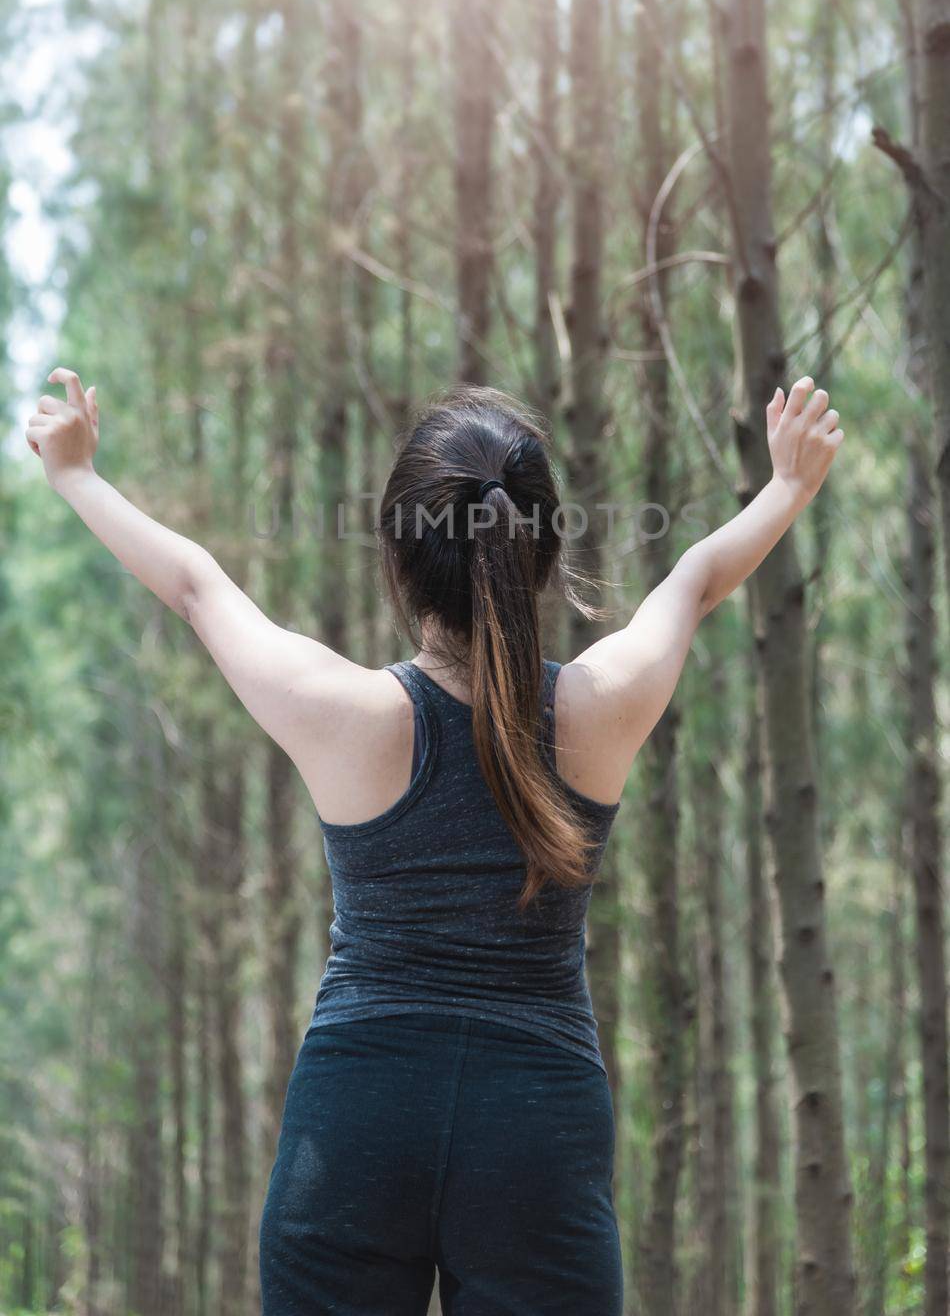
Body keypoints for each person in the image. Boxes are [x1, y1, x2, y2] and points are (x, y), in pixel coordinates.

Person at [26, 367, 843, 1316]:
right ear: (540, 553)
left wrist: (77, 475)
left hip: (358, 1119)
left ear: (399, 559)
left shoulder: (349, 714)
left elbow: (198, 588)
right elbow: (692, 578)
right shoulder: (596, 709)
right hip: (538, 1128)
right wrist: (787, 487)